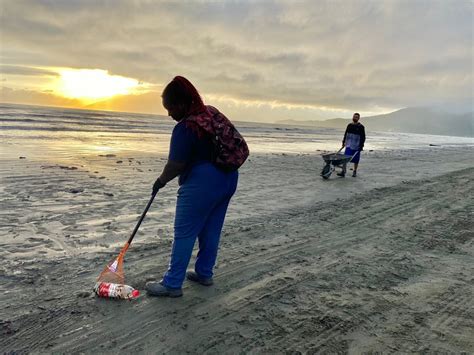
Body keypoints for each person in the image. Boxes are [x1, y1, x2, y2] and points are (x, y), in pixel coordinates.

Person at [145, 76, 241, 297]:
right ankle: (204, 273)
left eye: (170, 108)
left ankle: (172, 284)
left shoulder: (186, 127)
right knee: (211, 229)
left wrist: (160, 182)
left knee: (185, 232)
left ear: (181, 103)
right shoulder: (211, 113)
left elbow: (176, 165)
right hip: (228, 178)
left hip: (202, 182)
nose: (169, 114)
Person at [338, 112, 365, 177]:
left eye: (356, 117)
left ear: (358, 118)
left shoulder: (361, 127)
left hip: (356, 145)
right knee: (345, 158)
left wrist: (361, 146)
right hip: (349, 144)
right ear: (352, 117)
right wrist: (343, 142)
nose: (355, 118)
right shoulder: (349, 125)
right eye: (354, 116)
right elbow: (346, 134)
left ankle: (354, 171)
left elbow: (363, 137)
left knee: (356, 159)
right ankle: (343, 172)